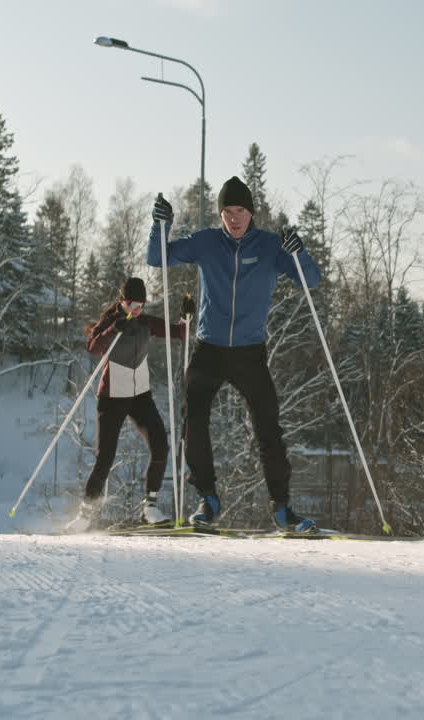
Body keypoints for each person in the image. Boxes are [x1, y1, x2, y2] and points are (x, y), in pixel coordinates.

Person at [147, 177, 321, 532]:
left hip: (249, 352)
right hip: (208, 348)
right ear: (221, 214)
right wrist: (160, 227)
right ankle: (207, 499)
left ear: (251, 212)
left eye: (240, 211)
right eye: (228, 212)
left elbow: (311, 280)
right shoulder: (207, 242)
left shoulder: (271, 247)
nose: (234, 218)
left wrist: (298, 252)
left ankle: (283, 508)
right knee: (192, 417)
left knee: (268, 426)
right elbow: (157, 258)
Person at [65, 277, 191, 533]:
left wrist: (186, 316)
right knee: (105, 457)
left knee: (160, 445)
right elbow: (92, 345)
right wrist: (114, 329)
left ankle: (150, 507)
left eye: (141, 304)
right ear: (122, 301)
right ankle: (85, 515)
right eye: (132, 303)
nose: (137, 309)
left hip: (140, 396)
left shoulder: (145, 322)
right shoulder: (112, 321)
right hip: (112, 397)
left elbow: (179, 332)